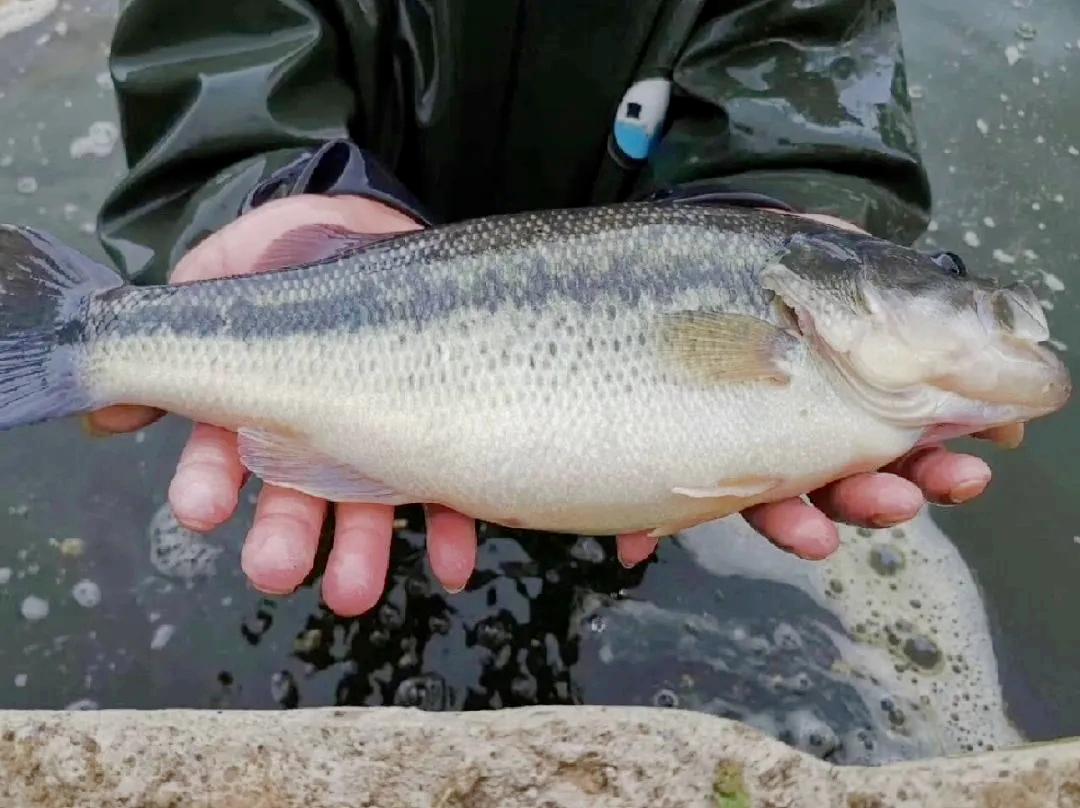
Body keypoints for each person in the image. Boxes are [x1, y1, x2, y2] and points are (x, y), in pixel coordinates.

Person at [86, 0, 1015, 618]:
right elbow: (217, 38)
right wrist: (269, 183)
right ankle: (86, 343)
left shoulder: (804, 315)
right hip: (386, 288)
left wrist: (779, 193)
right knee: (375, 575)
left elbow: (807, 73)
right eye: (961, 295)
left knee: (597, 561)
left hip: (595, 405)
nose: (996, 319)